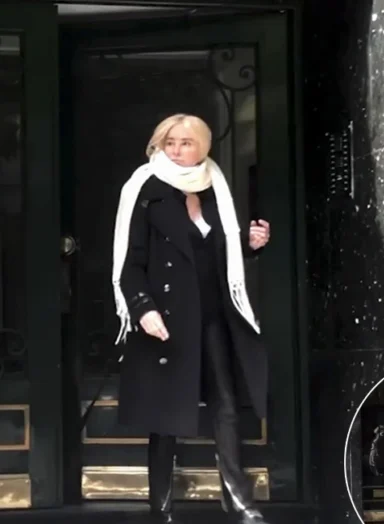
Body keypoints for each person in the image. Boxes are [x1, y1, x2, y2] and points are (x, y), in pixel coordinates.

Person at [111, 114, 273, 524]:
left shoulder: (215, 186)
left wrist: (250, 243)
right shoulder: (145, 189)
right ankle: (161, 506)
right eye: (170, 143)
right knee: (164, 413)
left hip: (213, 314)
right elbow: (130, 262)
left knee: (226, 405)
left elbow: (219, 250)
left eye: (186, 143)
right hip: (164, 317)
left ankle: (239, 500)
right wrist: (143, 308)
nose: (177, 150)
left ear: (204, 147)